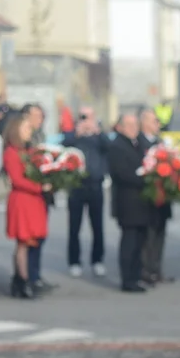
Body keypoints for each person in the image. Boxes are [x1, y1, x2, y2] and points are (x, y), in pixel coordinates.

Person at [3, 115, 51, 300]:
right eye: (26, 129)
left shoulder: (29, 151)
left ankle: (19, 279)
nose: (29, 132)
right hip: (23, 200)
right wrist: (40, 187)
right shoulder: (12, 152)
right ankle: (23, 281)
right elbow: (17, 180)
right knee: (23, 242)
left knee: (30, 241)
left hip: (33, 201)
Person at [63, 106, 110, 277]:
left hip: (95, 184)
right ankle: (74, 261)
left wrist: (97, 131)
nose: (86, 120)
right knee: (74, 227)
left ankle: (97, 260)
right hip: (76, 185)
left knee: (97, 226)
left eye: (88, 117)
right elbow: (64, 145)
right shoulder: (73, 135)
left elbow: (109, 147)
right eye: (83, 116)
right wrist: (77, 133)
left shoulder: (99, 136)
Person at [108, 113, 152, 293]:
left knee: (140, 240)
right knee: (129, 241)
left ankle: (137, 276)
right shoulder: (117, 145)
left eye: (135, 124)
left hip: (142, 203)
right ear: (120, 127)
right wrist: (147, 179)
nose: (133, 128)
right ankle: (127, 279)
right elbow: (122, 174)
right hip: (128, 202)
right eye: (129, 125)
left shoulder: (139, 143)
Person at [139, 108, 173, 285]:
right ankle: (146, 270)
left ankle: (157, 269)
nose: (158, 125)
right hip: (148, 199)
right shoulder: (139, 142)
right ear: (145, 123)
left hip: (163, 199)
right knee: (148, 236)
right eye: (154, 121)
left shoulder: (161, 142)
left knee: (160, 234)